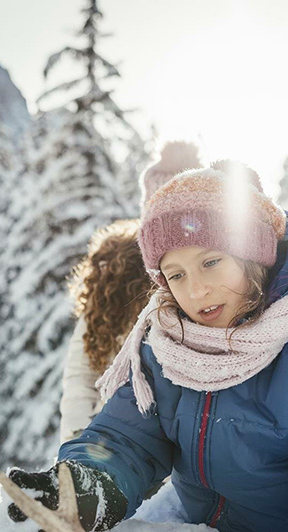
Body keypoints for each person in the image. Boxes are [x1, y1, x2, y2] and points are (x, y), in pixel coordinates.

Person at [7, 160, 288, 532]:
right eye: (175, 274)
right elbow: (127, 438)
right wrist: (82, 486)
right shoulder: (167, 340)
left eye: (211, 262)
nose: (195, 291)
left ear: (252, 251)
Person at [59, 142, 202, 443]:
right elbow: (82, 368)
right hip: (110, 435)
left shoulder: (207, 272)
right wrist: (77, 437)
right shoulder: (115, 266)